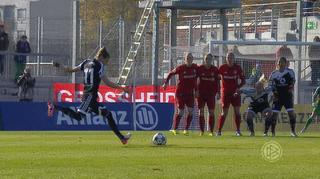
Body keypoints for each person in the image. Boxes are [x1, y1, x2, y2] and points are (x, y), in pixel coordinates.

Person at [47, 47, 131, 145]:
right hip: (90, 96)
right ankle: (55, 106)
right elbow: (107, 83)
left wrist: (58, 65)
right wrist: (122, 88)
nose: (105, 63)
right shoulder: (100, 66)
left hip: (89, 96)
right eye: (106, 60)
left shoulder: (86, 62)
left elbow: (70, 69)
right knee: (79, 116)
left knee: (108, 114)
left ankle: (122, 138)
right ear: (101, 57)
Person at [163, 52, 198, 136]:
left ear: (192, 59)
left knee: (190, 112)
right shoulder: (181, 68)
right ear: (184, 59)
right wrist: (166, 83)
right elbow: (171, 73)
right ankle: (175, 129)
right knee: (181, 112)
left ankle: (186, 130)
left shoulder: (195, 68)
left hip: (190, 94)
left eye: (190, 58)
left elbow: (196, 80)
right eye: (187, 58)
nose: (189, 59)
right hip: (180, 93)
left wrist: (196, 90)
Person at [217, 52, 245, 136]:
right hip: (225, 93)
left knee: (237, 112)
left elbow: (243, 80)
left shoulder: (238, 68)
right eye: (228, 57)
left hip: (235, 93)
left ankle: (238, 131)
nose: (230, 59)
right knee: (224, 112)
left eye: (231, 57)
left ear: (234, 59)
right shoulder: (222, 68)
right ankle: (219, 131)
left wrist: (238, 88)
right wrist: (218, 91)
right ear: (226, 58)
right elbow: (216, 79)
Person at [268, 57, 298, 137]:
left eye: (282, 62)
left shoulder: (290, 72)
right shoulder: (274, 73)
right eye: (279, 62)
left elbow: (293, 81)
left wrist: (290, 87)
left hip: (287, 96)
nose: (280, 64)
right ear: (277, 64)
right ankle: (273, 133)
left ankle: (292, 132)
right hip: (277, 97)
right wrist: (274, 93)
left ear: (285, 63)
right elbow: (271, 84)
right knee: (274, 115)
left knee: (291, 114)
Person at [197, 54, 220, 136]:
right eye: (206, 58)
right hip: (201, 94)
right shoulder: (200, 69)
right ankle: (202, 131)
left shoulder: (215, 70)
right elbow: (195, 80)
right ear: (204, 59)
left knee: (211, 112)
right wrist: (196, 90)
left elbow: (218, 82)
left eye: (209, 59)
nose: (208, 60)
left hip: (211, 94)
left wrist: (218, 92)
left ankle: (211, 131)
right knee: (201, 112)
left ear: (212, 60)